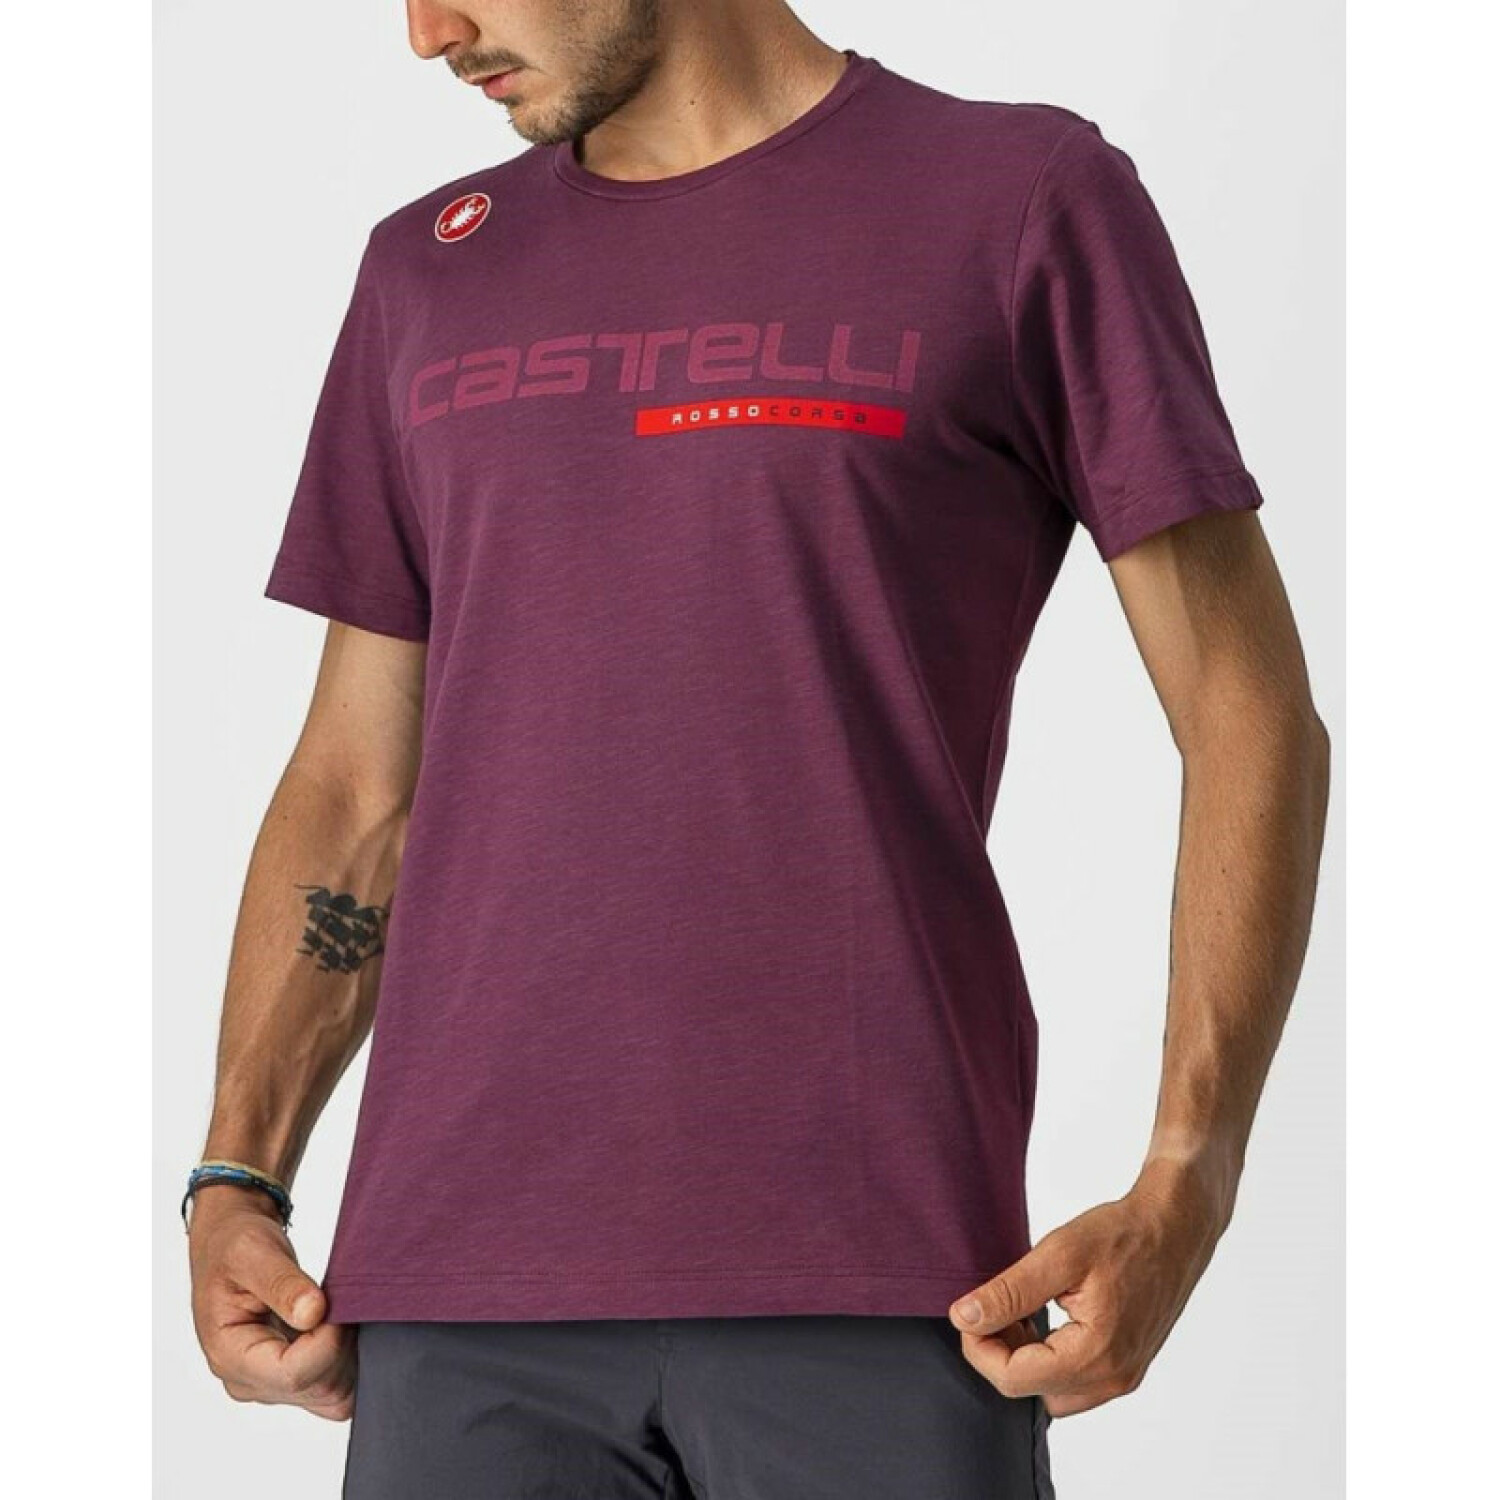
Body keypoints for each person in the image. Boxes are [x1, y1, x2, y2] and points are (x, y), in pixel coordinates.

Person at [183, 2, 1331, 1495]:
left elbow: (1247, 711)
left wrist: (1191, 1175)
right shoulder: (426, 271)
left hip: (884, 1279)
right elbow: (355, 783)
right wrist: (237, 1174)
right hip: (452, 1298)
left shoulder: (1019, 200)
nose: (429, 31)